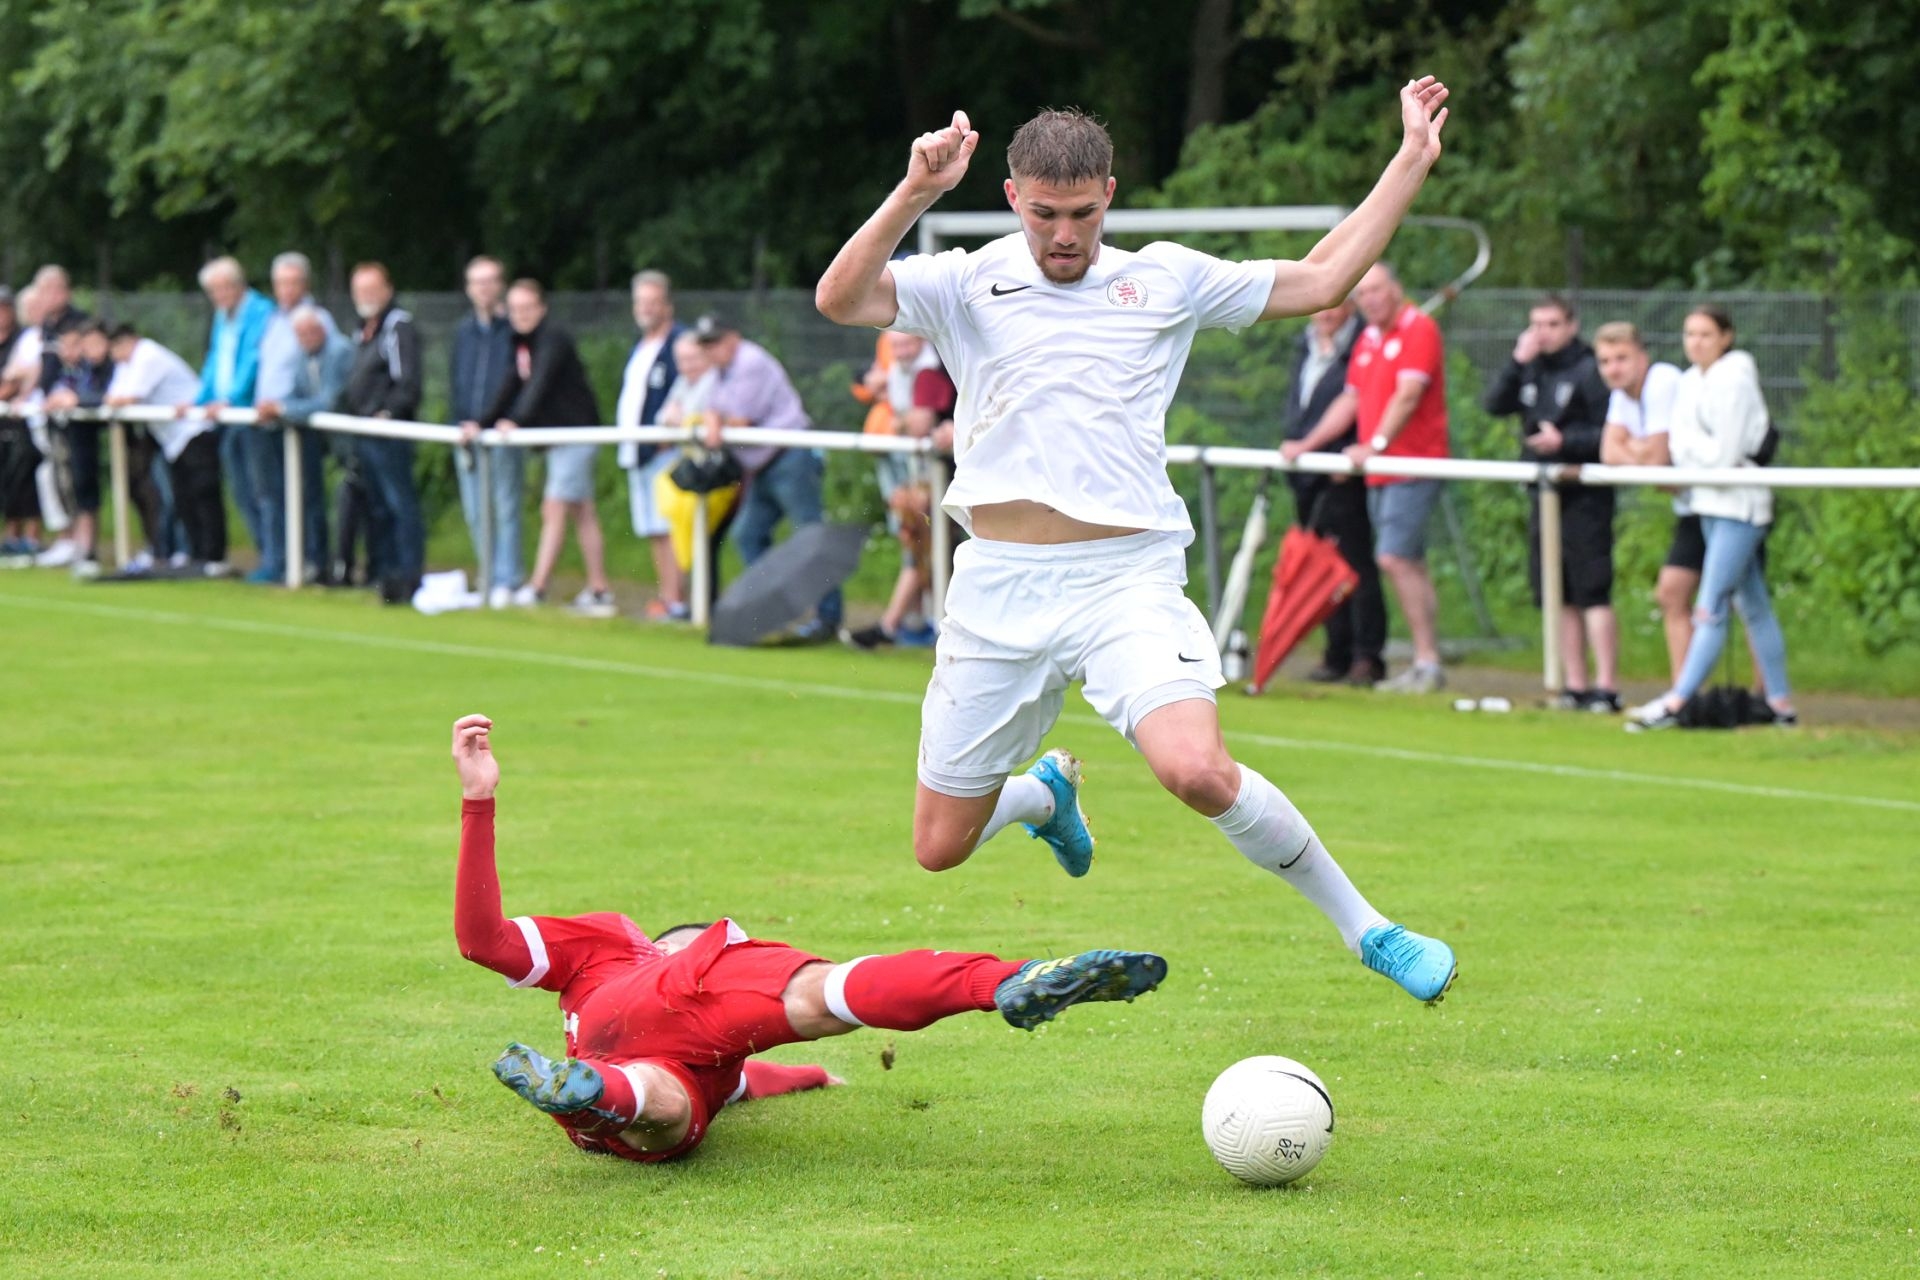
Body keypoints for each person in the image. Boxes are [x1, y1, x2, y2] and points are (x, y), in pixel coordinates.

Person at [813, 86, 1457, 1002]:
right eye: (1044, 214)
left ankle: (1371, 929)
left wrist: (1411, 161)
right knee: (938, 847)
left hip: (1125, 578)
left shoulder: (1165, 278)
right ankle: (1042, 796)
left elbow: (1321, 279)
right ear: (1011, 197)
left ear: (1109, 195)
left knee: (1196, 771)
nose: (1063, 234)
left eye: (1081, 214)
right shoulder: (964, 280)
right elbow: (839, 298)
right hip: (997, 585)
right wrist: (916, 191)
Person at [449, 713, 1166, 1163]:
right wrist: (811, 1069)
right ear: (681, 942)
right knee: (828, 995)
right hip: (695, 1006)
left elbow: (482, 940)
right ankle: (1003, 981)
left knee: (664, 1113)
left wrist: (479, 800)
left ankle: (598, 1094)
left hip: (623, 1063)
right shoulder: (643, 950)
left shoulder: (600, 958)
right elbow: (758, 1076)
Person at [1627, 306, 1795, 731]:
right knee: (1753, 604)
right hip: (1707, 502)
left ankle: (1679, 700)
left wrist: (1695, 453)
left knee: (1711, 605)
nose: (1696, 343)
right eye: (1690, 334)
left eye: (1705, 334)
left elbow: (1725, 454)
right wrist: (1698, 453)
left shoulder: (1735, 379)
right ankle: (1780, 702)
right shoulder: (1690, 381)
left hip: (1739, 505)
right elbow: (1681, 447)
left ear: (1725, 337)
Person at [1482, 295, 1619, 711]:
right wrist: (1516, 362)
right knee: (1557, 593)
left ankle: (1606, 687)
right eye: (1537, 324)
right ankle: (1573, 685)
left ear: (1572, 325)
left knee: (1591, 590)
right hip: (1543, 492)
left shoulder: (1590, 369)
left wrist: (1565, 442)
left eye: (1553, 324)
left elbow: (1610, 433)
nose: (1543, 333)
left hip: (1585, 494)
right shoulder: (1531, 365)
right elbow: (1494, 405)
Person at [1320, 262, 1451, 694]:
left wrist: (1374, 445)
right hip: (1381, 470)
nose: (1370, 300)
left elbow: (1408, 394)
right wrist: (1308, 443)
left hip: (1412, 464)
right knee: (1406, 561)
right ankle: (1426, 662)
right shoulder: (1369, 337)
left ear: (1395, 288)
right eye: (1362, 294)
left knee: (1394, 558)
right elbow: (1351, 399)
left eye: (1376, 289)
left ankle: (1427, 661)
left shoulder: (1418, 327)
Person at [696, 312, 842, 641]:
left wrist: (715, 421)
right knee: (748, 535)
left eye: (715, 342)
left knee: (809, 537)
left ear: (733, 338)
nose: (710, 350)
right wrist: (713, 419)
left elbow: (740, 419)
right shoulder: (721, 370)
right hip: (765, 464)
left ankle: (828, 617)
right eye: (705, 344)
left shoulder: (750, 362)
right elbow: (712, 411)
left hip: (790, 457)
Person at [475, 278, 615, 617]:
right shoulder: (521, 343)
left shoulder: (553, 339)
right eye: (515, 309)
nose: (521, 315)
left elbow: (540, 382)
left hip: (576, 435)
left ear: (542, 308)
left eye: (527, 308)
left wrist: (517, 421)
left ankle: (537, 588)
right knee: (582, 511)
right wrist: (483, 422)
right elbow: (512, 383)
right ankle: (599, 589)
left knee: (554, 508)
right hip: (560, 439)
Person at [1277, 299, 1386, 685]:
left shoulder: (1365, 343)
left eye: (1334, 307)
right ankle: (1336, 652)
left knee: (1354, 564)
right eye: (1320, 308)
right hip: (1307, 470)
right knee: (1320, 564)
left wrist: (1348, 448)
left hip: (1342, 471)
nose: (1325, 315)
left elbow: (1365, 400)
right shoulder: (1304, 344)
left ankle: (1366, 656)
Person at [1594, 321, 1696, 686]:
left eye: (1621, 358)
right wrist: (1644, 454)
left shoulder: (1662, 380)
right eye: (1605, 361)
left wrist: (1638, 452)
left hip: (1722, 500)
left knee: (1744, 603)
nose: (1613, 369)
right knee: (1672, 593)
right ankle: (1684, 692)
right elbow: (1608, 453)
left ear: (1642, 357)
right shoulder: (1622, 395)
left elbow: (1655, 461)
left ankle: (1769, 697)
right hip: (1692, 505)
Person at [842, 328, 953, 650]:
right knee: (919, 544)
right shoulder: (902, 371)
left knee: (924, 545)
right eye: (896, 346)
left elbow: (918, 425)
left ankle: (895, 624)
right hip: (917, 474)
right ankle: (913, 623)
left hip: (938, 475)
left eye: (907, 344)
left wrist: (898, 421)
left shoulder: (929, 373)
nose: (902, 352)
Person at [108, 324, 226, 570]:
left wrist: (117, 399)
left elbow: (129, 397)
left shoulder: (148, 355)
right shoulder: (127, 364)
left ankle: (214, 558)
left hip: (194, 431)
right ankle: (196, 555)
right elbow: (113, 396)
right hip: (174, 440)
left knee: (203, 496)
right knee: (184, 499)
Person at [251, 251, 336, 584]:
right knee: (271, 495)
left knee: (307, 494)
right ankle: (279, 560)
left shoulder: (318, 319)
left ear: (305, 284)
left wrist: (287, 407)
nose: (286, 290)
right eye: (281, 283)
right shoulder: (273, 320)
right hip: (266, 421)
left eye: (293, 283)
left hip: (298, 421)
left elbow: (321, 376)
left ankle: (315, 561)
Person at [186, 256, 274, 575]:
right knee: (241, 489)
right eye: (214, 290)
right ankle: (265, 553)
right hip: (228, 417)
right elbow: (215, 361)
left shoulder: (261, 312)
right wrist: (200, 400)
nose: (219, 296)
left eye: (224, 288)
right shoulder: (223, 316)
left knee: (261, 489)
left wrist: (230, 399)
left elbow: (252, 359)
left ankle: (275, 558)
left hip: (250, 414)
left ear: (238, 284)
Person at [343, 262, 425, 601]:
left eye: (372, 289)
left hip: (389, 435)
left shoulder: (397, 327)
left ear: (388, 290)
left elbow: (408, 382)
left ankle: (408, 575)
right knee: (375, 506)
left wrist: (388, 412)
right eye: (360, 291)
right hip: (364, 433)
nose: (366, 297)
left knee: (398, 503)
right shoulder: (361, 330)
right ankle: (383, 573)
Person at [614, 270, 687, 620]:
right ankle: (667, 596)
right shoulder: (640, 346)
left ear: (667, 305)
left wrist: (667, 436)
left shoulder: (679, 343)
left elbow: (689, 389)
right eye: (641, 302)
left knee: (668, 527)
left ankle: (678, 600)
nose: (646, 308)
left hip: (664, 451)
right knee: (652, 529)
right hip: (638, 450)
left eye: (653, 302)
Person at [451, 255, 523, 608]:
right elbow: (458, 380)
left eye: (490, 281)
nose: (484, 288)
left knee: (505, 507)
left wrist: (501, 419)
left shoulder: (513, 331)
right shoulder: (464, 332)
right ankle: (489, 573)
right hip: (466, 434)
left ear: (501, 286)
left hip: (500, 433)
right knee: (475, 511)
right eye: (477, 282)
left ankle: (508, 579)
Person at [653, 332, 738, 612]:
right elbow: (664, 416)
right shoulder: (684, 382)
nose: (687, 365)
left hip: (722, 475)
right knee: (698, 541)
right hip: (700, 473)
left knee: (711, 541)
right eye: (682, 359)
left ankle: (709, 606)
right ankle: (701, 605)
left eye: (692, 358)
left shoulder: (714, 381)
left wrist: (680, 419)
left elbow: (699, 417)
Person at [41, 322, 114, 577]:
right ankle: (80, 548)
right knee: (72, 491)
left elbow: (100, 394)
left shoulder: (101, 368)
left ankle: (88, 551)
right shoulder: (68, 370)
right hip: (72, 438)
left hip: (90, 441)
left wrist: (75, 399)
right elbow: (54, 392)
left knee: (86, 492)